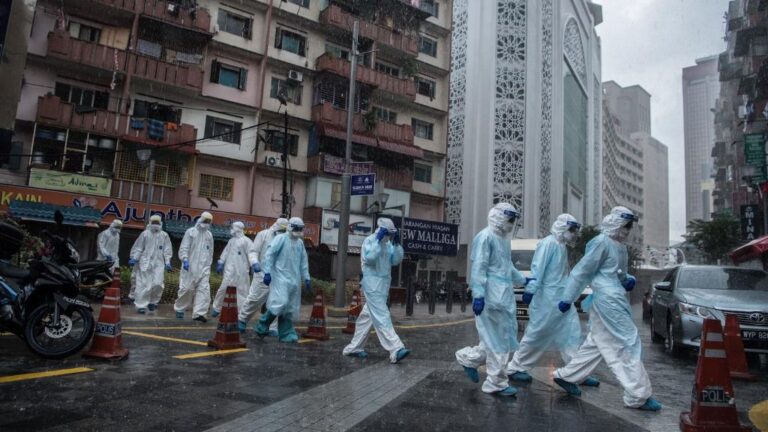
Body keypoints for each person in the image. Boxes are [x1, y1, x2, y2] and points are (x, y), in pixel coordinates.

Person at [552, 206, 661, 411]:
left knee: (597, 342)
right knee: (626, 342)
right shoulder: (601, 242)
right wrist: (568, 298)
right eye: (626, 225)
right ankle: (637, 395)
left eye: (630, 226)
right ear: (616, 223)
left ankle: (566, 376)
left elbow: (618, 273)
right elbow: (582, 271)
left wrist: (626, 279)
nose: (629, 230)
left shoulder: (619, 246)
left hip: (615, 297)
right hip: (607, 299)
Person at [506, 214, 599, 387]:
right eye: (571, 230)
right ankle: (515, 367)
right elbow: (538, 269)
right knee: (537, 334)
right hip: (547, 300)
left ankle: (576, 372)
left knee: (572, 335)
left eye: (575, 231)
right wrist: (531, 289)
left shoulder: (561, 246)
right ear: (562, 227)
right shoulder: (548, 243)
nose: (573, 234)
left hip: (562, 299)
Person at [455, 203, 529, 396]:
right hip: (490, 295)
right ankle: (495, 383)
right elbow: (479, 267)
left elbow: (507, 266)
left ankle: (468, 359)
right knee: (498, 340)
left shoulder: (503, 239)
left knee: (494, 339)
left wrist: (523, 280)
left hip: (504, 295)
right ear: (498, 216)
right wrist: (478, 295)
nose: (511, 223)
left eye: (513, 219)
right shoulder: (485, 237)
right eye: (509, 218)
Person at [342, 218, 411, 364]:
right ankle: (396, 348)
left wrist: (397, 245)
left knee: (366, 318)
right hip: (372, 284)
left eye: (391, 234)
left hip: (383, 285)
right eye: (387, 233)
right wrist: (377, 242)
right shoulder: (370, 241)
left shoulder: (387, 244)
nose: (388, 236)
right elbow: (370, 258)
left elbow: (395, 261)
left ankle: (354, 348)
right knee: (382, 316)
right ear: (380, 231)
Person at [255, 217, 310, 342]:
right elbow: (269, 255)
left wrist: (306, 277)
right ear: (290, 227)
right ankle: (262, 325)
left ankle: (286, 333)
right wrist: (267, 272)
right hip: (280, 277)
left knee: (289, 307)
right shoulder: (280, 239)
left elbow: (303, 262)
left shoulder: (300, 243)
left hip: (294, 279)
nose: (299, 231)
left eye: (301, 228)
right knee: (281, 302)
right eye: (297, 228)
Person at [238, 218, 288, 333]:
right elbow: (253, 251)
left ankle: (272, 327)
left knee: (275, 302)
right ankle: (242, 320)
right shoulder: (263, 235)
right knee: (255, 298)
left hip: (278, 276)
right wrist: (254, 263)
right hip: (262, 274)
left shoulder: (286, 239)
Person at [174, 212, 215, 323]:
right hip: (190, 267)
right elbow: (184, 247)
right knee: (186, 289)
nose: (206, 224)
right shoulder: (191, 232)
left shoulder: (209, 235)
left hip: (204, 269)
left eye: (208, 222)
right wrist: (185, 259)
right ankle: (180, 309)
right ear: (200, 219)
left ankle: (199, 313)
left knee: (204, 291)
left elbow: (210, 252)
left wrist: (208, 266)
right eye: (205, 221)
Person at [128, 215, 172, 314]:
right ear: (150, 223)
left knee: (158, 283)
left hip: (159, 263)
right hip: (145, 263)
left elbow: (167, 250)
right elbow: (139, 247)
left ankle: (153, 301)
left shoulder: (164, 235)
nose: (156, 225)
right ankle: (141, 305)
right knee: (144, 285)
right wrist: (134, 258)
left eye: (157, 223)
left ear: (160, 223)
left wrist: (168, 262)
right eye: (154, 223)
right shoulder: (145, 234)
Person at [211, 221, 251, 317]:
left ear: (237, 228)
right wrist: (221, 262)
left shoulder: (247, 241)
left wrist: (253, 265)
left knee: (241, 292)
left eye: (232, 227)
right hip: (229, 270)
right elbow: (225, 252)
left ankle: (240, 313)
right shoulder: (231, 241)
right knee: (223, 288)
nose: (231, 229)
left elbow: (251, 254)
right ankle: (217, 308)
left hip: (241, 272)